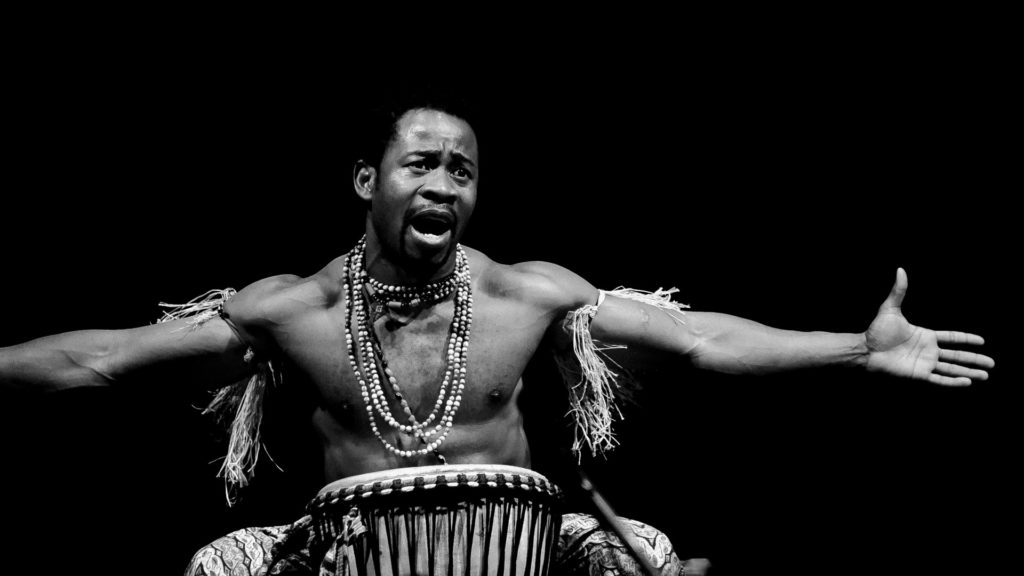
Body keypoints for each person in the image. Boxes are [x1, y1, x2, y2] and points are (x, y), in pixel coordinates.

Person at [0, 93, 994, 576]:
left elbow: (698, 340)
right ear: (368, 181)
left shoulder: (526, 295)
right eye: (420, 164)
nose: (442, 184)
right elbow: (103, 359)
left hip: (519, 553)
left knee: (639, 554)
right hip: (348, 558)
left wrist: (859, 349)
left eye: (463, 171)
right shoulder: (292, 311)